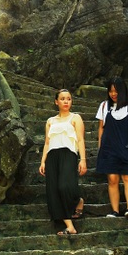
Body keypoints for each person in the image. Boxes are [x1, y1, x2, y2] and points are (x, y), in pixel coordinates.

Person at [39, 88, 88, 235]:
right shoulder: (50, 121)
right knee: (53, 191)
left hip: (69, 154)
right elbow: (47, 143)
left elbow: (80, 139)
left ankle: (78, 200)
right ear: (56, 102)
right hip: (52, 156)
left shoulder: (75, 118)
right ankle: (70, 226)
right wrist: (43, 162)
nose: (66, 101)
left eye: (68, 99)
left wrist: (83, 160)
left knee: (64, 186)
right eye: (62, 99)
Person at [95, 76, 128, 218]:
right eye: (110, 91)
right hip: (109, 148)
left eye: (116, 91)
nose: (113, 94)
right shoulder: (104, 106)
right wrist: (100, 147)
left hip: (127, 147)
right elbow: (101, 129)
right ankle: (114, 210)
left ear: (123, 91)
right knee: (112, 179)